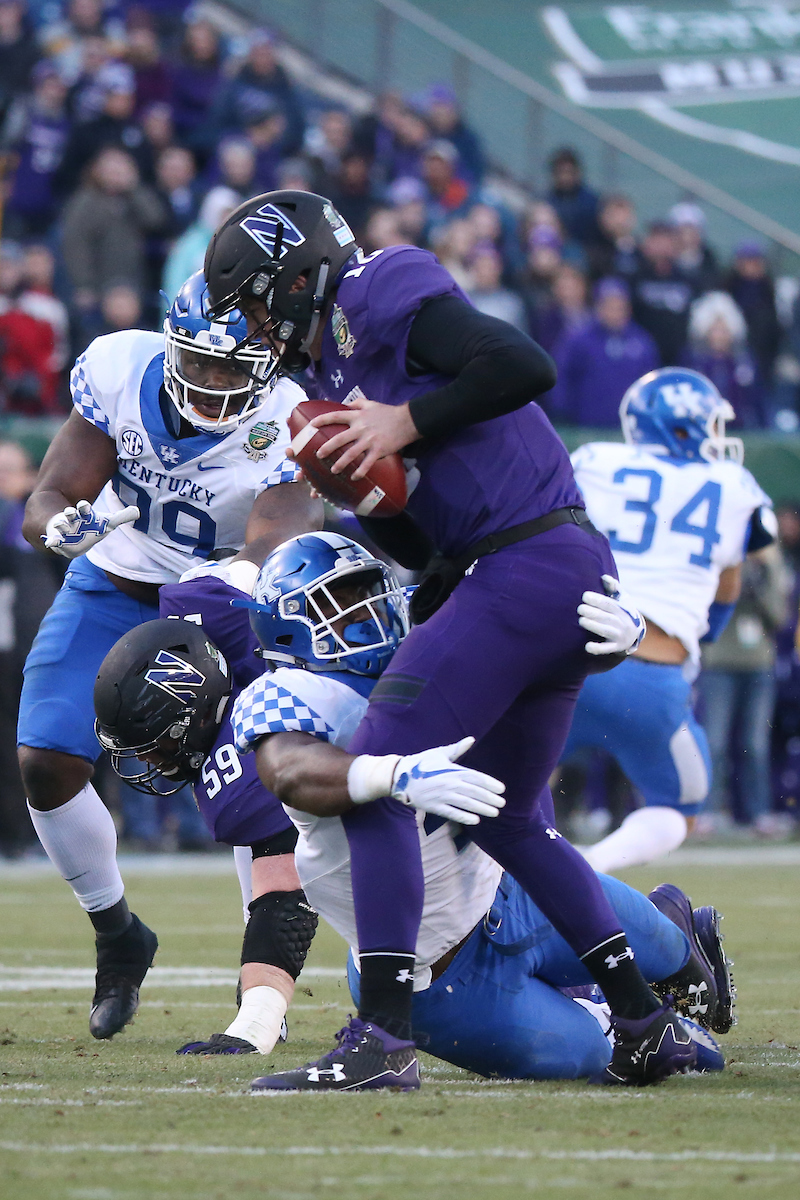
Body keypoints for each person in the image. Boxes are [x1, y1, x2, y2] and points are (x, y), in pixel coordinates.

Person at [203, 188, 695, 1091]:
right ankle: (641, 1019)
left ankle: (382, 1039)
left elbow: (520, 363)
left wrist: (403, 423)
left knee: (377, 774)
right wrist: (367, 494)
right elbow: (425, 545)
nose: (258, 328)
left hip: (523, 563)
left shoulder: (377, 292)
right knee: (509, 818)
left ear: (302, 277)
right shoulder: (326, 375)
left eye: (260, 304)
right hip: (530, 569)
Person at [96, 534, 730, 1083]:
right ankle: (607, 1006)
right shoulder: (284, 694)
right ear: (287, 629)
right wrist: (387, 774)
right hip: (441, 975)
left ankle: (675, 933)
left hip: (515, 889)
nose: (368, 614)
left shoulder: (425, 644)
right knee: (600, 1053)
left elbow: (534, 649)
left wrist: (618, 642)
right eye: (339, 605)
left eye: (368, 592)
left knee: (666, 948)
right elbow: (291, 770)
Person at [16, 270, 322, 1044]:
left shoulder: (287, 415)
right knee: (45, 760)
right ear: (171, 344)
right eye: (201, 363)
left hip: (225, 603)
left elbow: (278, 534)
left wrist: (237, 580)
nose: (213, 383)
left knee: (258, 789)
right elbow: (48, 497)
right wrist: (58, 527)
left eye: (230, 369)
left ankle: (261, 1000)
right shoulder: (121, 368)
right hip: (114, 587)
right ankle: (118, 932)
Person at [565, 368, 775, 872]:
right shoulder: (735, 486)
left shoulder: (593, 460)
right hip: (652, 675)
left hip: (564, 661)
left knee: (496, 785)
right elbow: (729, 585)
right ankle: (590, 870)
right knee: (679, 807)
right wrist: (708, 632)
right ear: (686, 425)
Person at [551, 278, 658, 426]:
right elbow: (561, 376)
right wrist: (562, 413)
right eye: (609, 306)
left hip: (626, 425)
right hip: (584, 426)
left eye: (620, 306)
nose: (615, 312)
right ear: (598, 307)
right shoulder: (578, 339)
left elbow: (650, 383)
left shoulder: (641, 341)